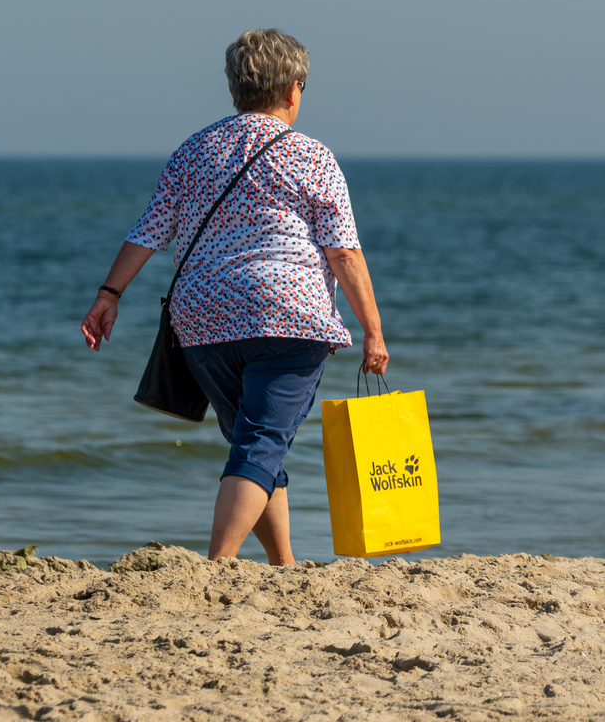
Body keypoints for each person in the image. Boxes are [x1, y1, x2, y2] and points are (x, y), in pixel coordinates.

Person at [79, 28, 388, 564]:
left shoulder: (194, 150)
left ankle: (283, 565)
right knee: (261, 442)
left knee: (255, 440)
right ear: (293, 90)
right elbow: (343, 254)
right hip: (285, 320)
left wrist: (110, 294)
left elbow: (149, 231)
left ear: (234, 88)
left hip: (200, 323)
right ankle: (216, 566)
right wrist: (373, 331)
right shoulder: (313, 156)